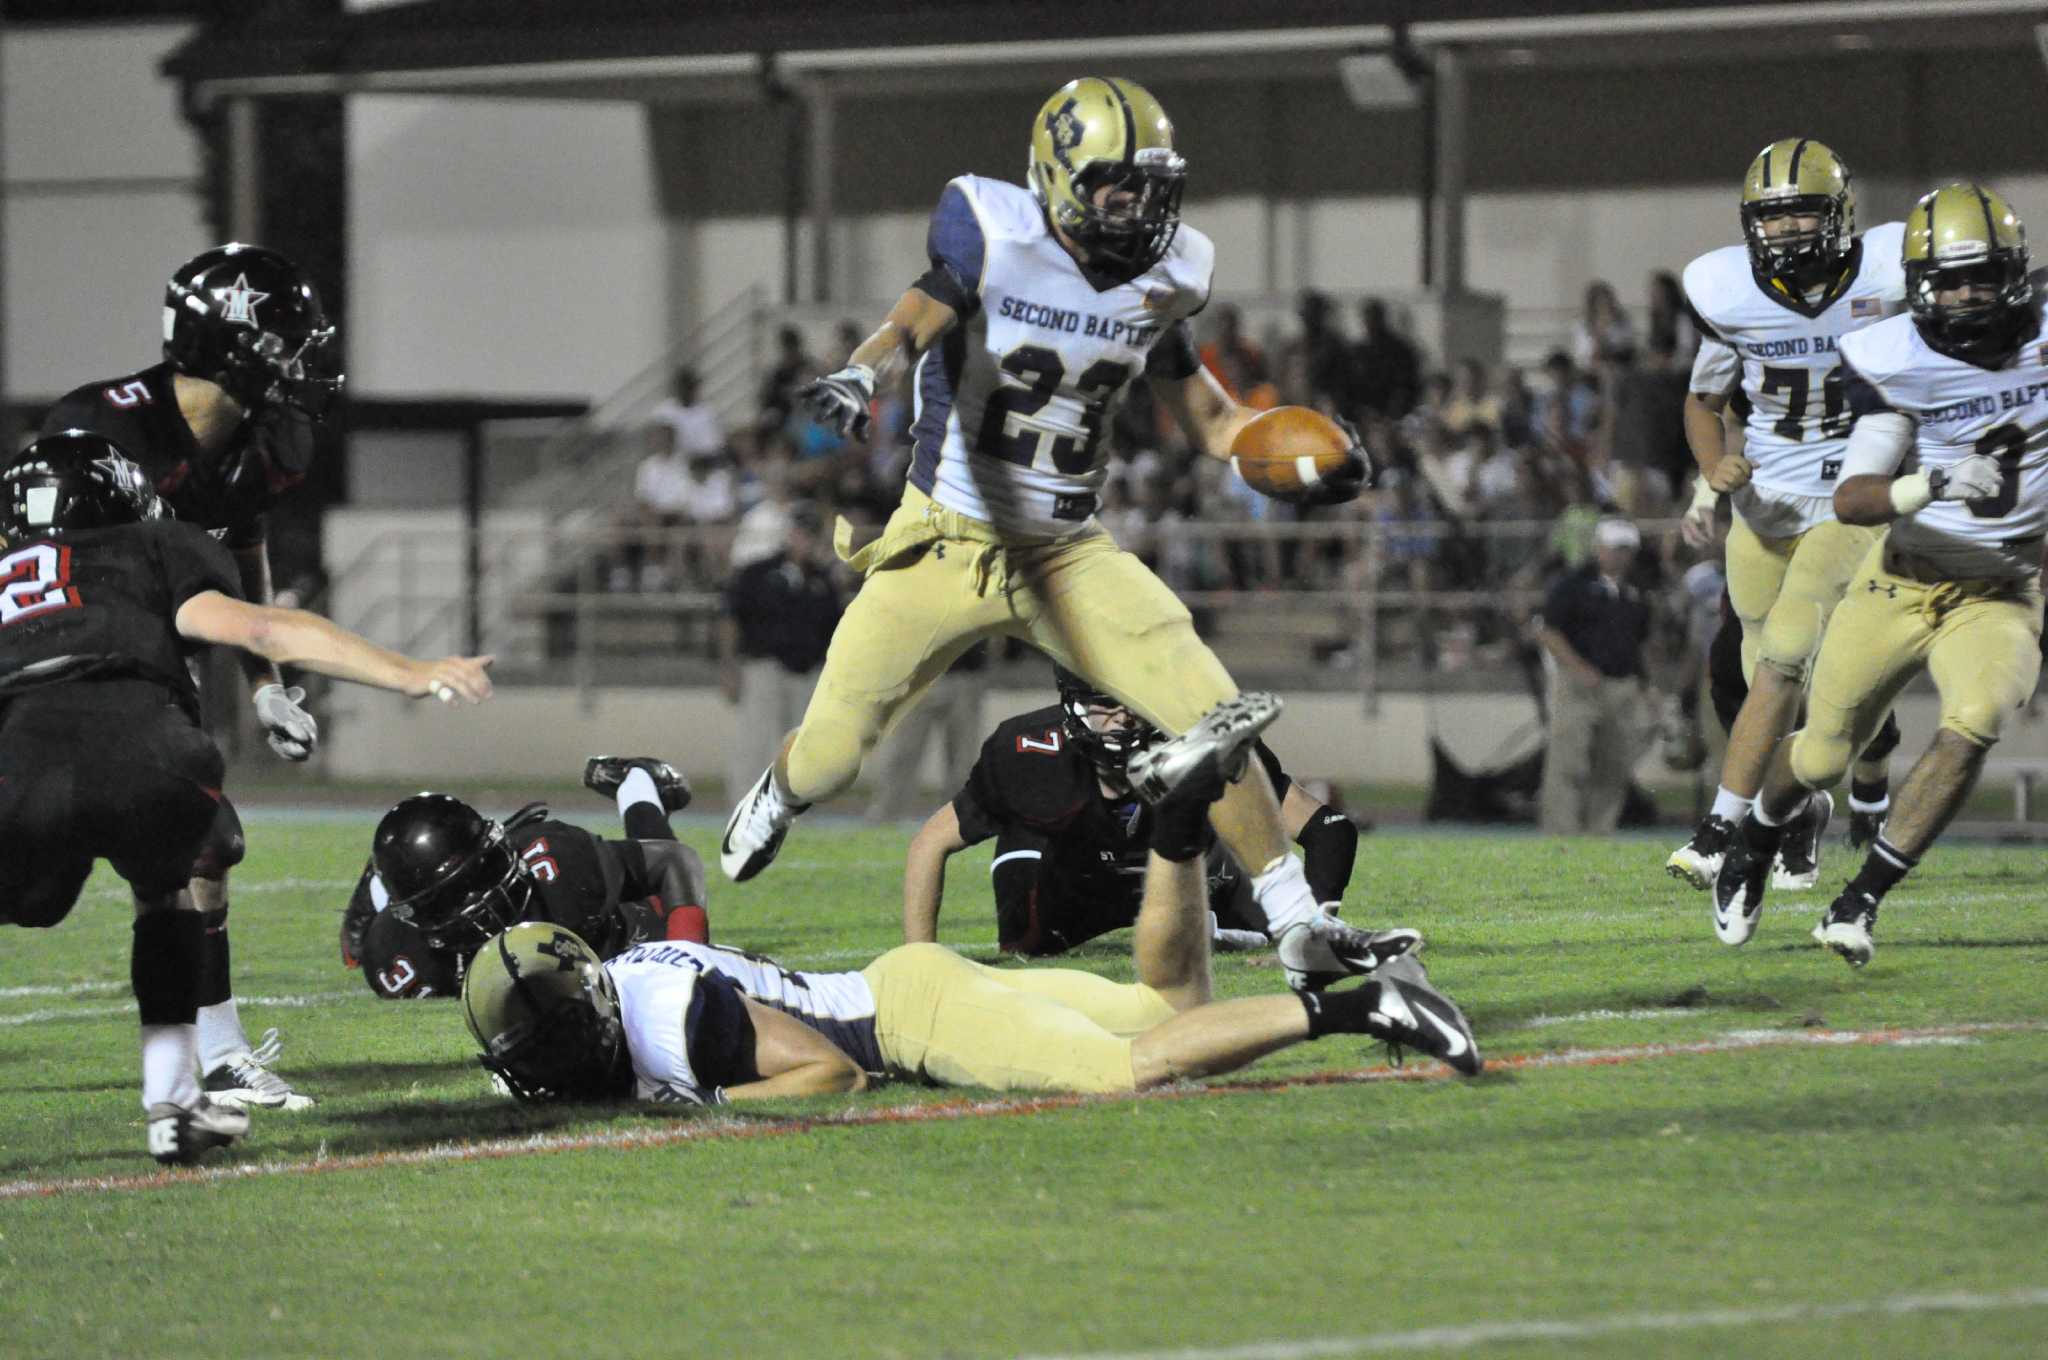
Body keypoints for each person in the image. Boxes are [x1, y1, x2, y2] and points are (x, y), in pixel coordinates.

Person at [724, 76, 1387, 996]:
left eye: (1154, 184)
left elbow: (1212, 419)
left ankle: (1297, 922)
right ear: (1058, 174)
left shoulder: (1169, 271)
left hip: (1065, 550)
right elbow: (919, 311)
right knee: (833, 755)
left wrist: (1301, 455)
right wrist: (862, 373)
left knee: (1211, 713)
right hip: (942, 540)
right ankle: (781, 791)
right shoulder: (991, 226)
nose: (1141, 203)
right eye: (1119, 182)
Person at [462, 694, 1479, 1106]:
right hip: (906, 983)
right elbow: (681, 902)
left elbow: (823, 1075)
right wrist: (641, 798)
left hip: (904, 1017)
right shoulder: (639, 964)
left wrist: (701, 1109)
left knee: (1130, 1071)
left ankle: (1363, 1006)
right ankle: (1176, 821)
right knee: (1179, 1014)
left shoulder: (666, 1013)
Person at [0, 432, 492, 1163]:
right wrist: (413, 672)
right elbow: (260, 627)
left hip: (21, 753)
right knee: (169, 887)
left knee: (36, 893)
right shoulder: (157, 544)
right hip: (148, 751)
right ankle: (172, 1104)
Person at [38, 243, 344, 1112]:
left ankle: (213, 1056)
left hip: (152, 667)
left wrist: (265, 682)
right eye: (288, 344)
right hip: (56, 663)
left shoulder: (264, 440)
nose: (305, 363)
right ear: (233, 347)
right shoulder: (101, 429)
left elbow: (242, 551)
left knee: (196, 852)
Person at [1711, 184, 2045, 965]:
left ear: (2015, 275)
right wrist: (1928, 483)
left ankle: (1860, 901)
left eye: (1983, 277)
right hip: (1898, 580)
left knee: (1977, 719)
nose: (1967, 295)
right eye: (1951, 279)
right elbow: (1856, 497)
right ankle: (1754, 840)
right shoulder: (1895, 355)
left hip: (1999, 592)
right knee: (1824, 754)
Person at [1665, 139, 1908, 898]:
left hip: (1851, 495)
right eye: (1772, 217)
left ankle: (1721, 832)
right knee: (1765, 685)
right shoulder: (1727, 291)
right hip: (1766, 502)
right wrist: (1712, 471)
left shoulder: (1888, 270)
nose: (1788, 231)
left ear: (1840, 214)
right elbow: (1703, 402)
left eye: (1804, 211)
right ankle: (1798, 809)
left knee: (1792, 655)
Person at [902, 667, 1388, 967]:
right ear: (1073, 706)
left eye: (1132, 703)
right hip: (1077, 883)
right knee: (1025, 947)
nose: (1122, 717)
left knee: (1270, 925)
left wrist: (1314, 929)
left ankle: (1215, 923)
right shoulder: (1028, 750)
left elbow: (1331, 831)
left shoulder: (1200, 735)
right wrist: (920, 965)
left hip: (1191, 875)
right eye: (1103, 703)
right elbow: (931, 842)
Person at [340, 757, 709, 1000]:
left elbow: (675, 863)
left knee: (661, 910)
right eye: (459, 892)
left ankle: (635, 783)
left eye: (483, 871)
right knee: (356, 947)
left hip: (616, 940)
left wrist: (684, 961)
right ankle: (372, 884)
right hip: (401, 905)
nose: (482, 896)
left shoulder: (555, 861)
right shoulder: (397, 958)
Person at [717, 503, 845, 806]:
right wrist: (729, 665)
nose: (803, 540)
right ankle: (745, 806)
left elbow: (836, 630)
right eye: (799, 533)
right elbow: (730, 617)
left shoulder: (824, 580)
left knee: (802, 748)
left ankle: (793, 808)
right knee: (757, 742)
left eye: (809, 535)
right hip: (765, 666)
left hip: (807, 670)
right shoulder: (757, 572)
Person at [1534, 517, 1656, 833]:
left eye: (1627, 550)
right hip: (1579, 686)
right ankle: (1560, 832)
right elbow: (1548, 632)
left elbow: (1640, 642)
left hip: (1622, 685)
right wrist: (1578, 667)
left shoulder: (1637, 590)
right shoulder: (1572, 585)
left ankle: (1599, 832)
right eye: (1616, 549)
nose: (1621, 556)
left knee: (1613, 765)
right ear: (1599, 549)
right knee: (1568, 762)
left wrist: (1645, 684)